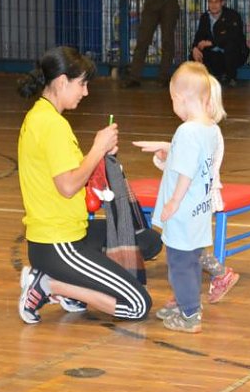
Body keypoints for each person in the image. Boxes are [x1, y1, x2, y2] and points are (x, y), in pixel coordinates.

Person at [16, 46, 155, 324]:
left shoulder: (42, 116)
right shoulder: (51, 125)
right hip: (58, 243)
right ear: (61, 81)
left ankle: (73, 283)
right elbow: (68, 186)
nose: (86, 91)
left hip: (70, 230)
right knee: (139, 305)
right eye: (82, 84)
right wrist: (97, 148)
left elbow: (75, 173)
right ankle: (50, 285)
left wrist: (101, 157)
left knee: (147, 241)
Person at [143, 62, 227, 333]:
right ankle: (186, 303)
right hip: (199, 211)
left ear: (179, 98)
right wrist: (168, 150)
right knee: (190, 261)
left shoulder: (188, 131)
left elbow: (186, 173)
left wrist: (172, 202)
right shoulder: (211, 129)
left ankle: (190, 315)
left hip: (183, 211)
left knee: (180, 265)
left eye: (172, 100)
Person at [191, 0, 248, 87]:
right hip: (214, 54)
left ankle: (231, 77)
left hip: (233, 54)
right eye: (210, 1)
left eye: (216, 1)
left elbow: (233, 36)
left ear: (223, 3)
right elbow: (199, 35)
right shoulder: (205, 17)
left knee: (231, 46)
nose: (213, 5)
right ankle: (208, 76)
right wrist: (195, 48)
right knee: (194, 54)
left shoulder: (233, 15)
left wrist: (212, 43)